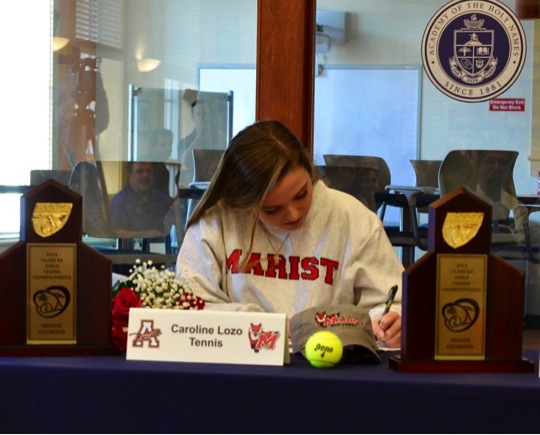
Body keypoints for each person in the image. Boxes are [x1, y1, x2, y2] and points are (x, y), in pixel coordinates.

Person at [176, 120, 403, 348]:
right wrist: (272, 325)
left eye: (302, 194)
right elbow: (191, 306)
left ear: (309, 170)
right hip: (239, 362)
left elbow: (392, 300)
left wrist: (391, 321)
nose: (293, 214)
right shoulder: (217, 221)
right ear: (243, 202)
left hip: (331, 368)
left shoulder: (353, 218)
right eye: (272, 209)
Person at [110, 161, 173, 238]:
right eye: (140, 171)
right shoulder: (119, 202)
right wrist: (144, 235)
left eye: (149, 171)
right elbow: (114, 233)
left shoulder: (162, 200)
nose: (145, 175)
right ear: (129, 175)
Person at [177, 99, 227, 187]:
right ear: (193, 117)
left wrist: (214, 128)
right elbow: (183, 163)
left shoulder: (218, 137)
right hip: (193, 188)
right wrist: (199, 137)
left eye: (205, 114)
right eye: (198, 114)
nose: (202, 118)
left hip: (217, 186)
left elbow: (230, 144)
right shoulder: (185, 142)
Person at [144, 128, 175, 198]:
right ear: (152, 147)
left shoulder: (162, 167)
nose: (168, 148)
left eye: (170, 144)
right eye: (163, 145)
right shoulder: (147, 169)